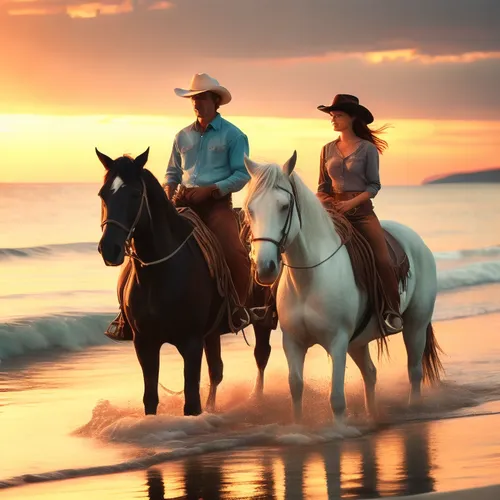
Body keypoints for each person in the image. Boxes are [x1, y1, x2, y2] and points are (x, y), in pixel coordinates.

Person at [164, 73, 266, 330]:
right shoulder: (181, 136)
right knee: (146, 240)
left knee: (236, 253)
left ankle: (239, 309)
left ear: (215, 101)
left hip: (215, 206)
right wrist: (167, 198)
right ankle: (130, 312)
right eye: (193, 99)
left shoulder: (233, 135)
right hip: (183, 201)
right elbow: (172, 173)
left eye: (201, 98)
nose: (196, 103)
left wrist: (212, 189)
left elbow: (242, 174)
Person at [315, 94, 403, 334]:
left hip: (362, 215)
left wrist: (351, 203)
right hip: (334, 215)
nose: (333, 119)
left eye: (338, 115)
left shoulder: (368, 149)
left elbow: (374, 186)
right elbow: (322, 187)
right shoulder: (326, 149)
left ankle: (392, 310)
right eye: (332, 116)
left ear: (352, 118)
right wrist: (329, 203)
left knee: (382, 260)